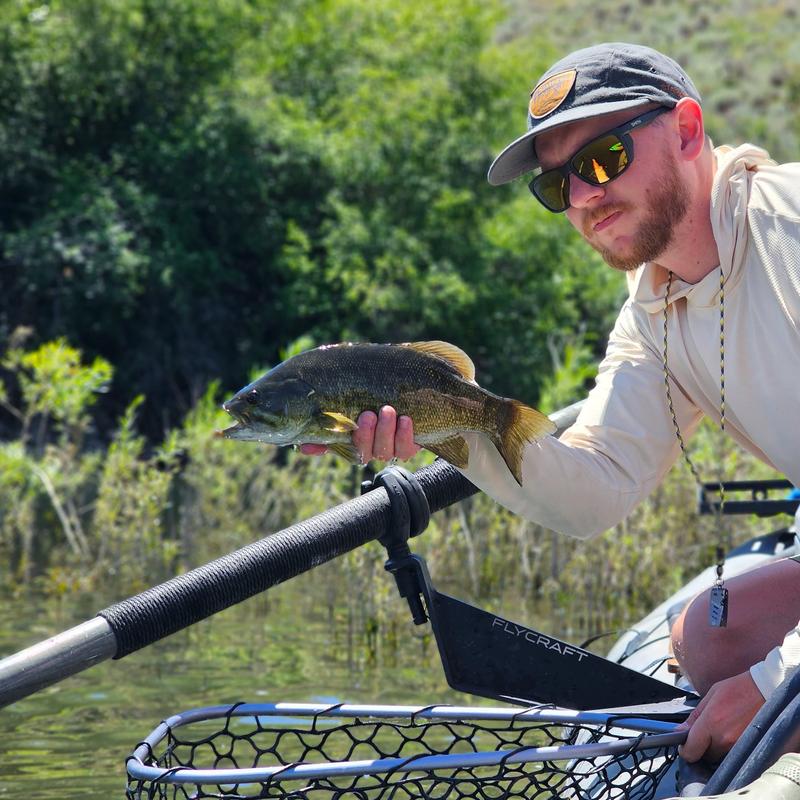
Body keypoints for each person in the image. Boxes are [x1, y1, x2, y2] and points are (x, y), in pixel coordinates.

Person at [301, 42, 800, 764]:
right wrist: (446, 425)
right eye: (556, 185)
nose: (584, 198)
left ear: (689, 130)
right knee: (704, 640)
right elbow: (594, 490)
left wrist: (776, 683)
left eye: (602, 160)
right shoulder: (657, 309)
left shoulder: (785, 232)